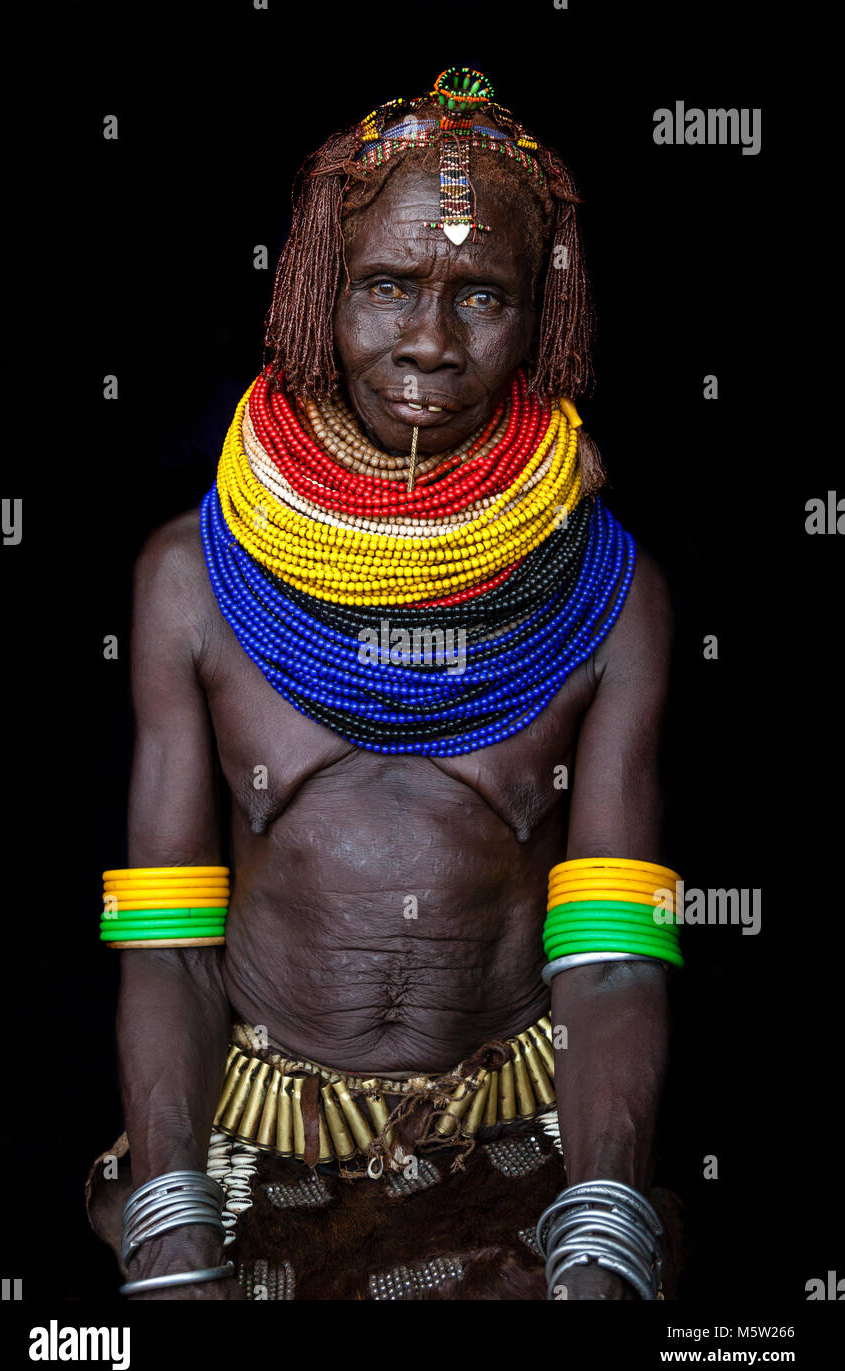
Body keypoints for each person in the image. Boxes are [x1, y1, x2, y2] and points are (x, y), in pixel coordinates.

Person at [86, 66, 684, 1301]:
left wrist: (602, 1218)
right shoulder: (187, 581)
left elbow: (613, 959)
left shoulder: (609, 594)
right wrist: (170, 1216)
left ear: (541, 318)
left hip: (523, 1125)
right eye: (387, 287)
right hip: (250, 1135)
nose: (427, 340)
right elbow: (167, 946)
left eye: (481, 296)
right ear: (317, 291)